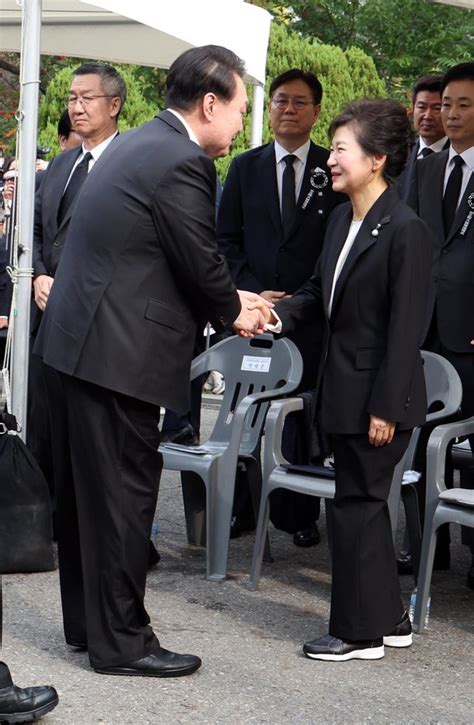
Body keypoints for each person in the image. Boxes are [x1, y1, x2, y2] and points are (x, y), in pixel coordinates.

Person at [34, 44, 268, 677]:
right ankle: (124, 643)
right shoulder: (183, 161)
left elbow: (153, 252)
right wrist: (236, 309)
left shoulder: (139, 143)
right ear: (211, 102)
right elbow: (198, 256)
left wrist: (224, 295)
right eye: (242, 109)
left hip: (81, 344)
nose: (243, 125)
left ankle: (89, 628)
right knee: (121, 501)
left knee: (87, 500)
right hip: (118, 355)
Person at [261, 98, 432, 661]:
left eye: (339, 149)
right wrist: (275, 315)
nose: (329, 159)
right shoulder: (342, 220)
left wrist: (385, 406)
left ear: (376, 159)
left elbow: (408, 329)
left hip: (379, 401)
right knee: (360, 505)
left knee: (355, 507)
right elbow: (317, 292)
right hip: (343, 390)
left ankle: (357, 634)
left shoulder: (405, 230)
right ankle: (389, 619)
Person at [217, 68, 345, 546]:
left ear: (315, 111)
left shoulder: (330, 169)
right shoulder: (244, 168)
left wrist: (302, 299)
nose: (287, 109)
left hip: (308, 315)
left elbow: (334, 246)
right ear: (268, 108)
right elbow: (225, 241)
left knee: (299, 417)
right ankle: (243, 509)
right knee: (245, 410)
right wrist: (250, 292)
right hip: (251, 313)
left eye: (298, 102)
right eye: (279, 101)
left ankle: (298, 515)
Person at [407, 61, 474, 590]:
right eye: (445, 103)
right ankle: (427, 543)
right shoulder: (424, 167)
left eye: (462, 105)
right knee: (421, 438)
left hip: (470, 334)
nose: (449, 114)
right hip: (424, 330)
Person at [398, 74, 449, 198]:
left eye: (436, 108)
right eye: (421, 107)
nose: (427, 116)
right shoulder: (399, 154)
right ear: (412, 109)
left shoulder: (458, 157)